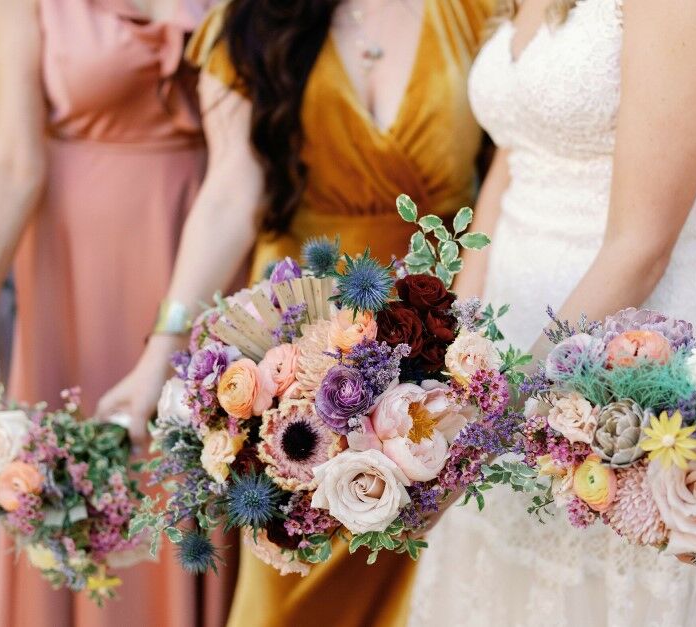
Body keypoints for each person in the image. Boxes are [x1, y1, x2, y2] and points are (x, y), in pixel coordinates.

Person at [96, 1, 495, 624]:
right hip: (293, 354)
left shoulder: (478, 10)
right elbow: (230, 190)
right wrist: (162, 348)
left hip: (438, 341)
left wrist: (472, 344)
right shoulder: (252, 19)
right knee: (289, 583)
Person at [409, 0, 696, 625]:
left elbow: (641, 247)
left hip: (627, 364)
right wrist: (447, 356)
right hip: (505, 355)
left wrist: (490, 430)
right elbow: (509, 161)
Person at [0, 0, 232, 625]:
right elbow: (15, 159)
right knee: (84, 470)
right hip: (75, 265)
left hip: (208, 242)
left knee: (200, 464)